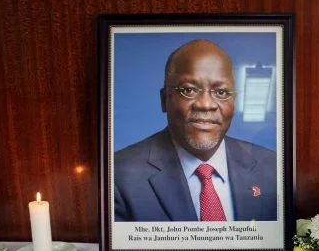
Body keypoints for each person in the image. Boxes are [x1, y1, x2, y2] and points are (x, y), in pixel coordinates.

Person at [114, 39, 277, 222]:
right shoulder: (118, 176)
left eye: (221, 92)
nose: (206, 104)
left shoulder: (273, 168)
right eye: (189, 90)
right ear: (164, 99)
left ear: (234, 102)